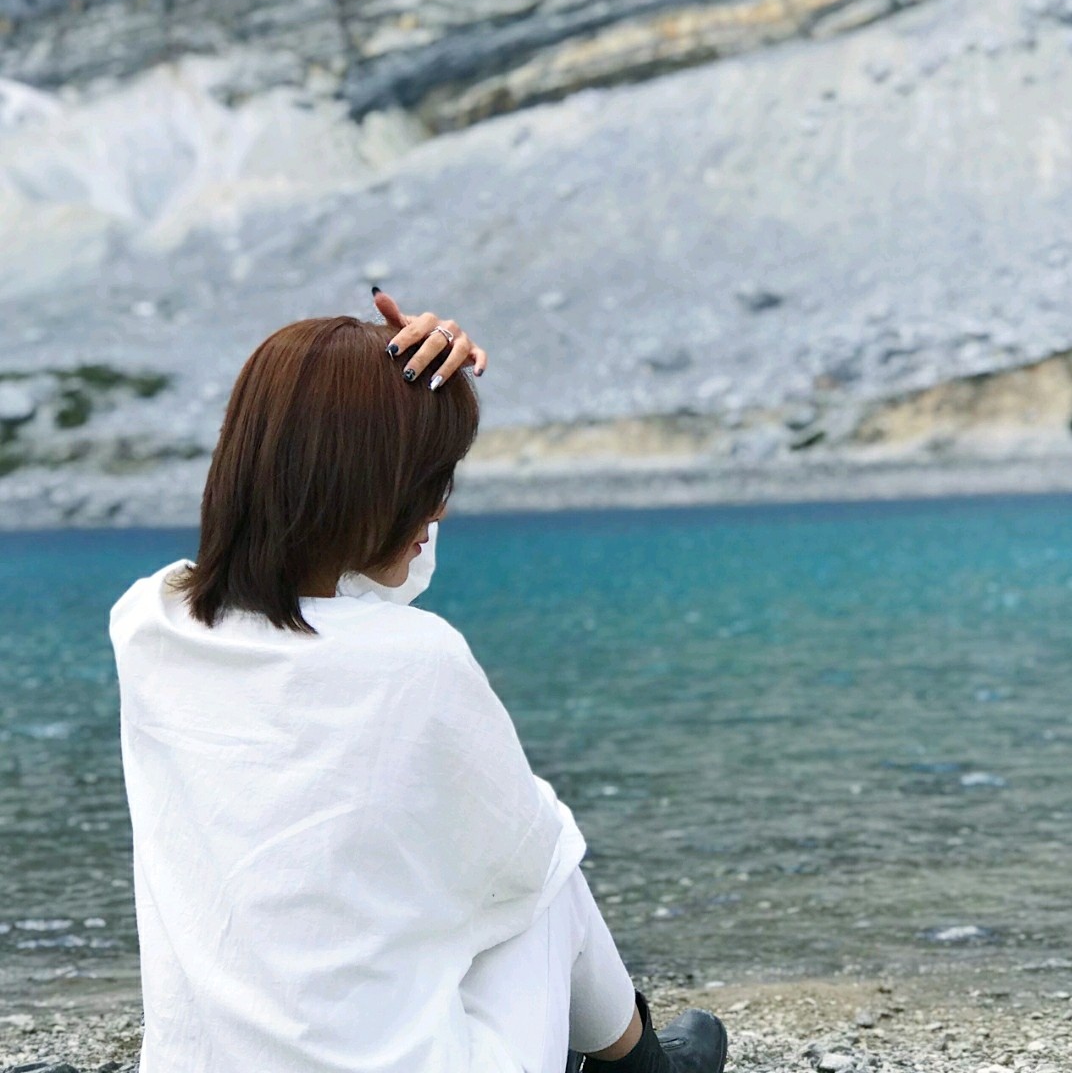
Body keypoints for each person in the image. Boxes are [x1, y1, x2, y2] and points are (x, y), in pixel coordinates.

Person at [107, 289, 728, 1073]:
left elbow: (328, 598)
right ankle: (643, 1066)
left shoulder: (146, 623)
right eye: (431, 482)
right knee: (543, 859)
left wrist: (392, 399)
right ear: (376, 495)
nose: (439, 508)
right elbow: (524, 861)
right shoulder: (419, 658)